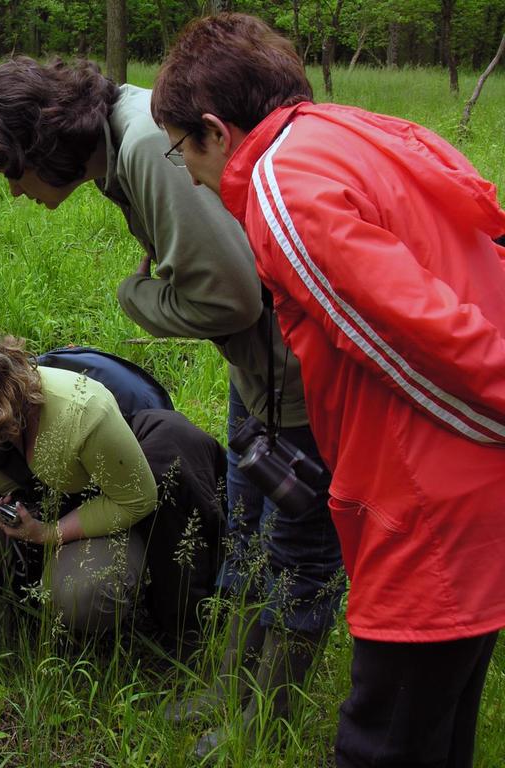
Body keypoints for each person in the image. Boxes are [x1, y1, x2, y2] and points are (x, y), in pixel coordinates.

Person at [152, 13, 505, 767]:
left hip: (426, 496)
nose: (187, 173)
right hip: (474, 490)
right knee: (442, 730)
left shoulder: (282, 184)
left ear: (216, 129)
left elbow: (421, 342)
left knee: (384, 742)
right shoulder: (359, 131)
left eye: (182, 150)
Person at [0, 56, 344, 733]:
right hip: (262, 374)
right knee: (249, 536)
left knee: (297, 557)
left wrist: (136, 297)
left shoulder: (140, 145)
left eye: (11, 174)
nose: (15, 194)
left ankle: (265, 722)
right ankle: (230, 691)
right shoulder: (122, 140)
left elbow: (230, 294)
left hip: (307, 382)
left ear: (43, 145)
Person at [0, 326, 227, 653]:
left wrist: (48, 534)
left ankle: (95, 600)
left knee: (81, 595)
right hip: (44, 498)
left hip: (110, 502)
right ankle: (27, 599)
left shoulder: (81, 412)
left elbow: (137, 500)